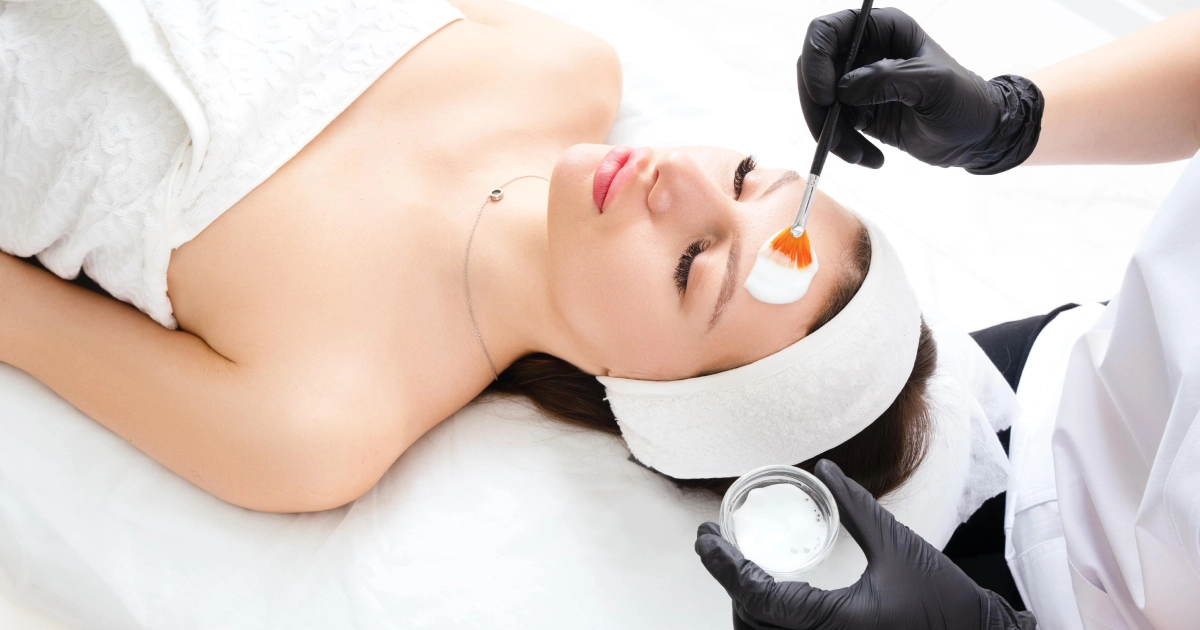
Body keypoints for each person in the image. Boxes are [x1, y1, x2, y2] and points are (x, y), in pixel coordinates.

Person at [0, 0, 938, 515]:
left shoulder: (320, 422)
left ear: (649, 395)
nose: (679, 184)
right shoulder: (564, 64)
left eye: (694, 262)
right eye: (742, 176)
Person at [695, 7, 1200, 629]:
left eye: (691, 264)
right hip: (1073, 378)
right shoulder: (943, 398)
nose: (676, 177)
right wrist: (1010, 120)